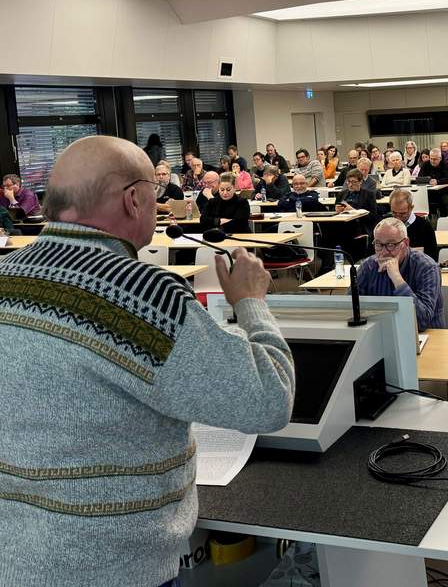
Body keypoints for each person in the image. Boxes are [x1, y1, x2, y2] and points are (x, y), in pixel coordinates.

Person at [0, 135, 294, 587]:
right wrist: (252, 303)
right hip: (111, 567)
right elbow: (268, 399)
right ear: (133, 200)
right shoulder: (143, 296)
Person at [356, 218, 443, 331]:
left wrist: (397, 278)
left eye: (391, 245)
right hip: (382, 333)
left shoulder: (427, 267)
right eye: (378, 245)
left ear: (405, 243)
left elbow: (422, 322)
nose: (384, 252)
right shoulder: (368, 266)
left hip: (425, 338)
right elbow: (349, 310)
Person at [389, 189, 437, 260]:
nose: (398, 217)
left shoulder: (424, 226)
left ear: (411, 208)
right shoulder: (383, 225)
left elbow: (432, 257)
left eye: (402, 213)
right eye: (394, 213)